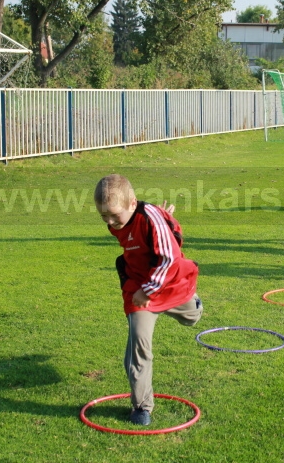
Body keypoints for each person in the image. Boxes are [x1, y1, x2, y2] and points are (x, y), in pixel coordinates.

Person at [94, 174, 203, 426]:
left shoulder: (149, 217)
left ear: (132, 203)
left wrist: (161, 220)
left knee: (191, 319)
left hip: (170, 282)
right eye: (103, 217)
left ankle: (193, 304)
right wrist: (141, 291)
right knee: (138, 345)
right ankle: (142, 406)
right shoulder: (124, 218)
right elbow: (137, 235)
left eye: (114, 215)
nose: (110, 222)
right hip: (137, 286)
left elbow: (169, 259)